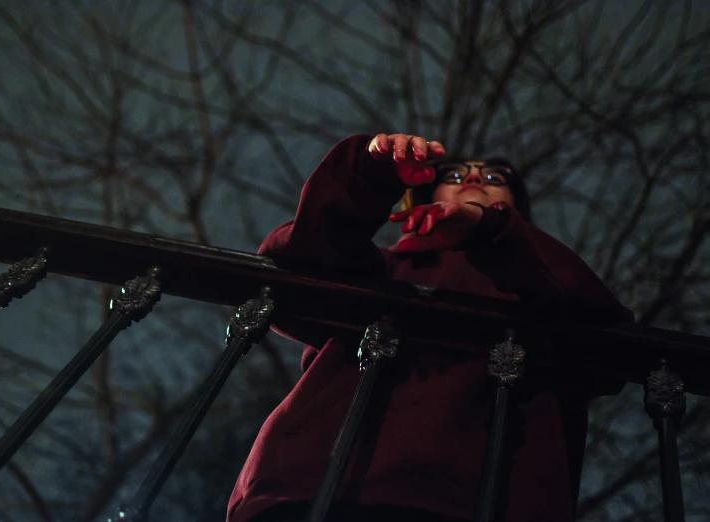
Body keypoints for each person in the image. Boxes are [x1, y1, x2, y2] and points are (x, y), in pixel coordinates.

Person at [227, 133, 634, 522]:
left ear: (514, 208)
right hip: (318, 485)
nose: (473, 179)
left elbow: (608, 344)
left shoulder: (548, 285)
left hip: (485, 499)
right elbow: (292, 271)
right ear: (426, 195)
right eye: (453, 175)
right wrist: (368, 173)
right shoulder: (382, 269)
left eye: (495, 179)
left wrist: (492, 235)